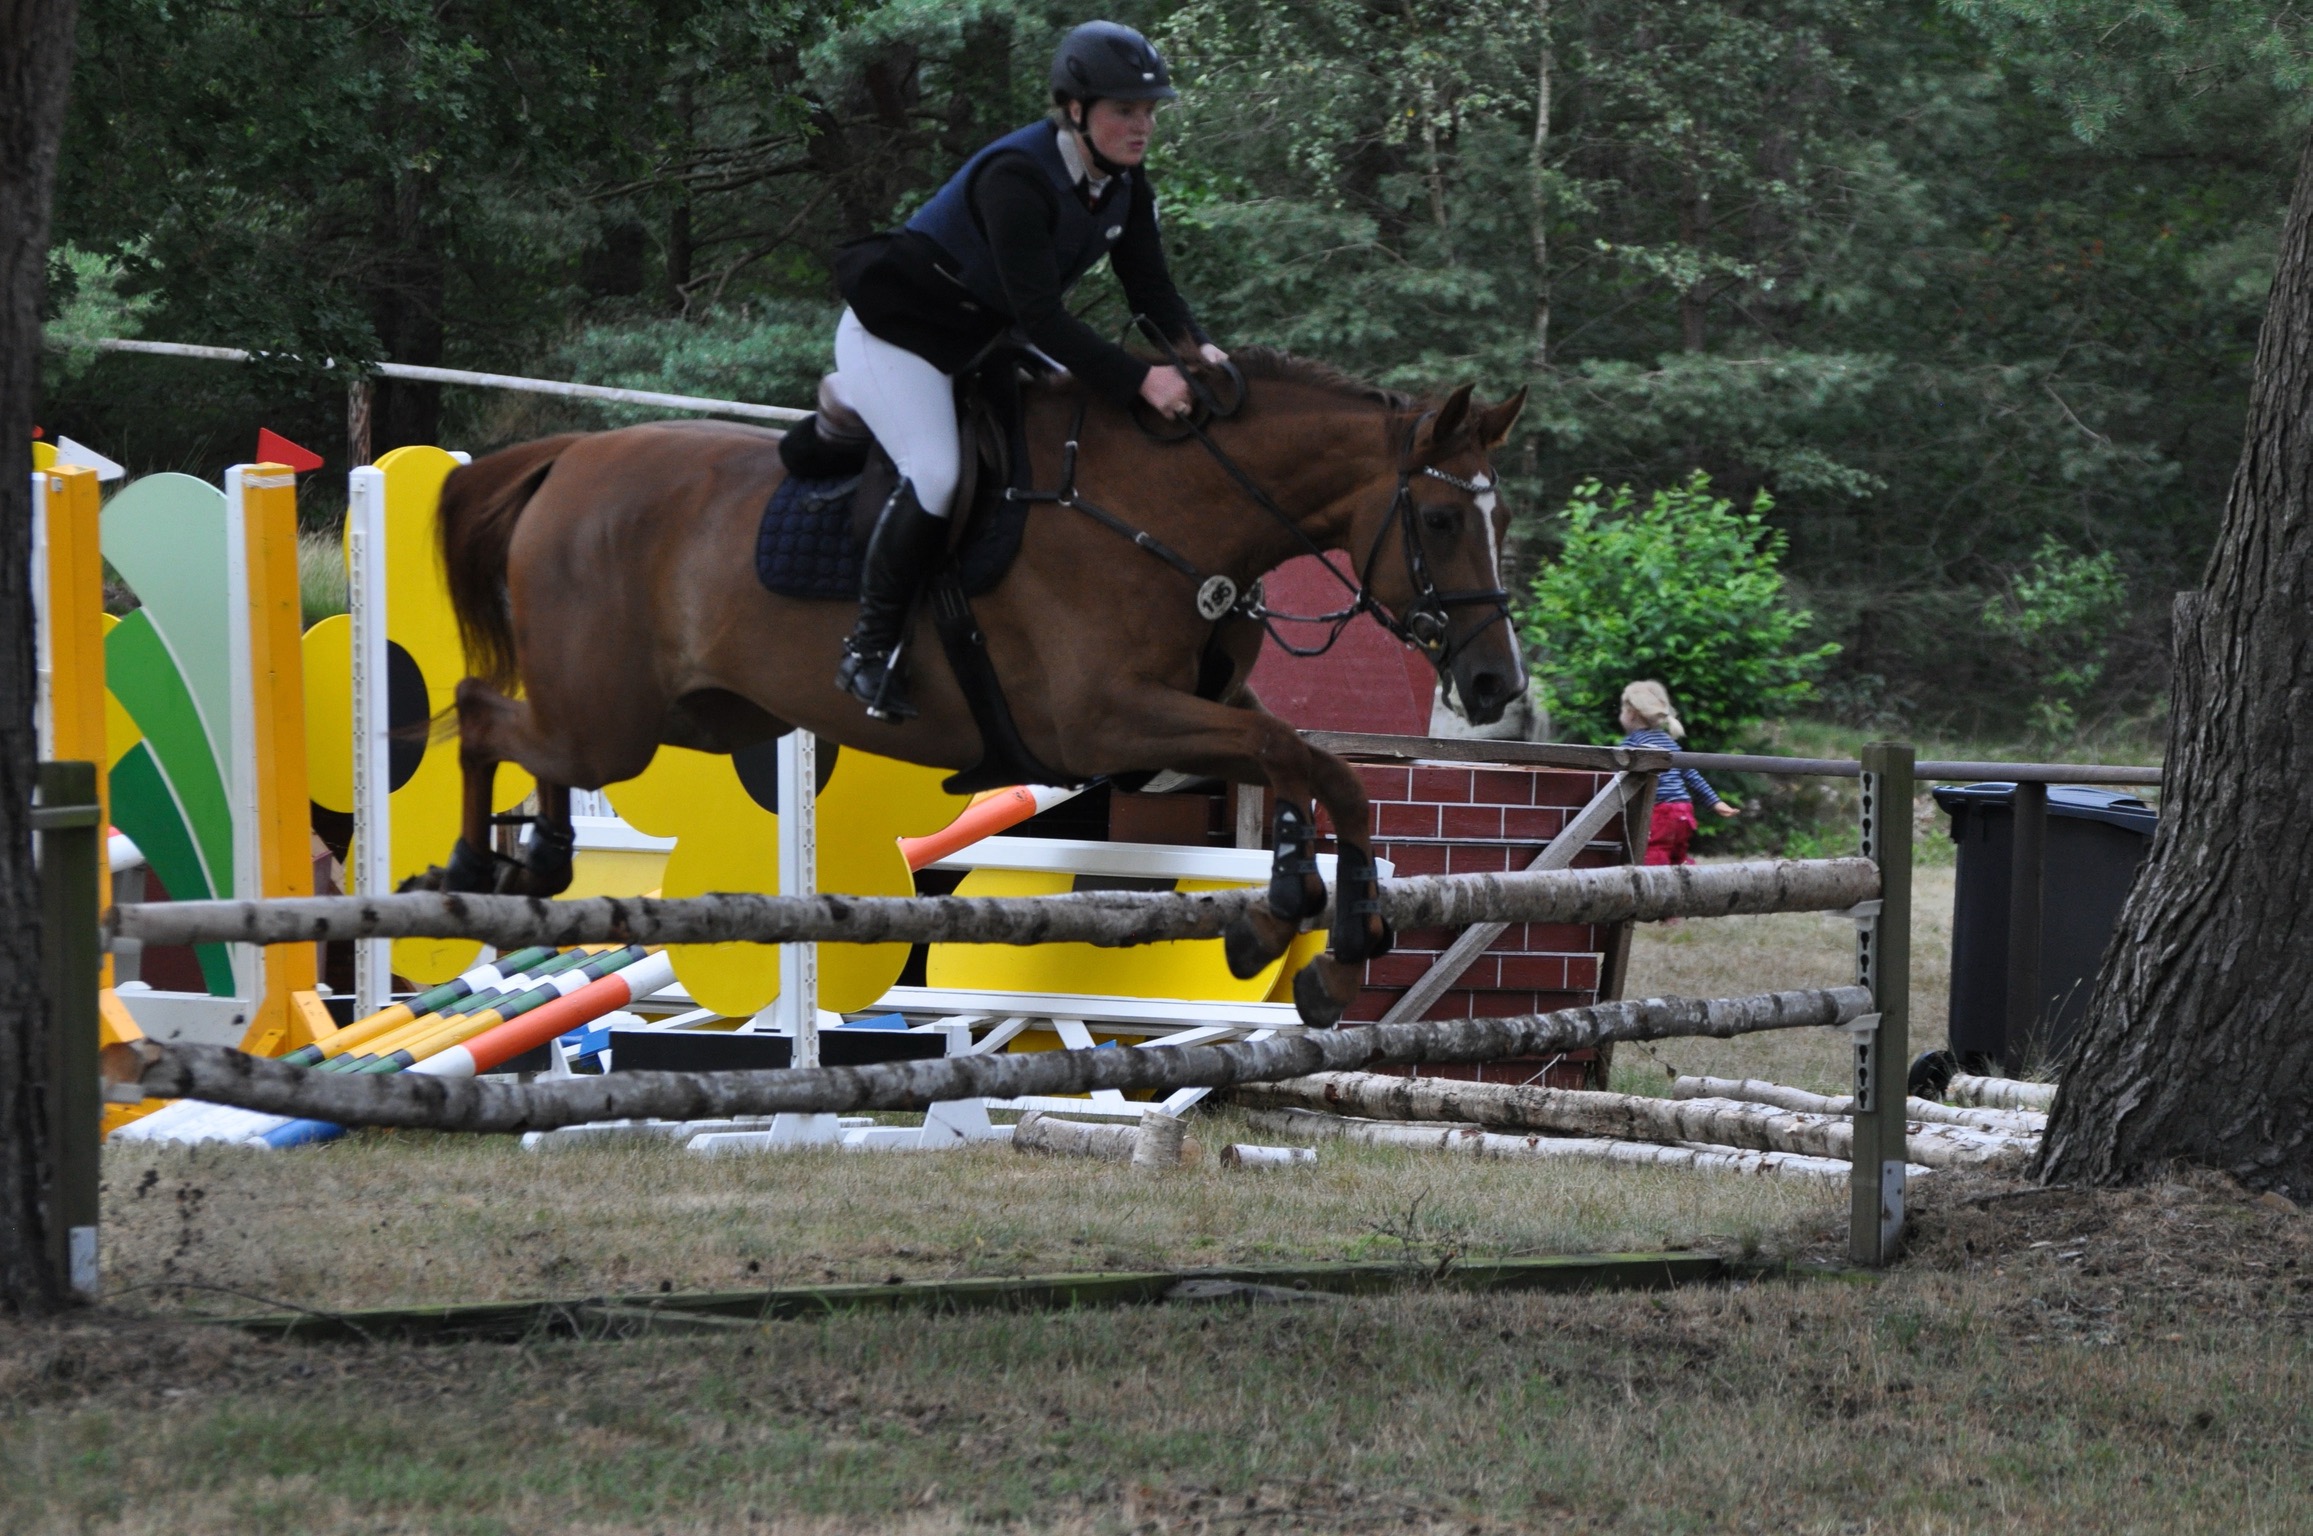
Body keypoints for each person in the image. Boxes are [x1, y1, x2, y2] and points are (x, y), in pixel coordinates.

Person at [806, 20, 1229, 721]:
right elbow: (1043, 317)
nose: (1143, 126)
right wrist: (1141, 379)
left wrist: (1201, 352)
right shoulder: (1017, 176)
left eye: (1150, 111)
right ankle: (868, 649)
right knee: (936, 473)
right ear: (1076, 110)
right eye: (1126, 110)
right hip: (899, 335)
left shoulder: (1124, 183)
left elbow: (1151, 292)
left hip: (981, 338)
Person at [1617, 680, 1738, 866]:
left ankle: (1655, 884)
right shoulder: (1668, 742)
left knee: (1652, 857)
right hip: (1683, 810)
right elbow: (1691, 774)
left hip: (1658, 811)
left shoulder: (1632, 744)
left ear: (1631, 714)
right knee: (1677, 858)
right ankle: (1688, 877)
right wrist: (1715, 802)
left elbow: (1615, 775)